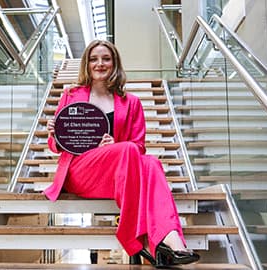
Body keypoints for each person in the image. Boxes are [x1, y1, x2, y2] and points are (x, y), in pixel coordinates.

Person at [44, 39, 200, 267]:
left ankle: (171, 239)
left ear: (114, 63)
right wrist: (56, 135)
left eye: (106, 59)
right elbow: (54, 146)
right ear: (86, 64)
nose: (100, 64)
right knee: (128, 151)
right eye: (93, 59)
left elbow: (138, 146)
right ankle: (139, 239)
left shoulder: (132, 102)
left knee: (151, 164)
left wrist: (114, 146)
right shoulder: (71, 95)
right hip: (81, 172)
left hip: (118, 173)